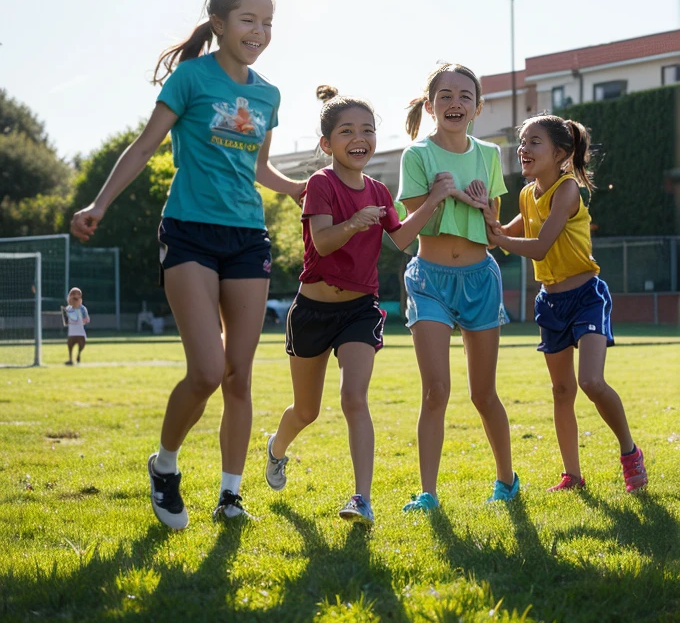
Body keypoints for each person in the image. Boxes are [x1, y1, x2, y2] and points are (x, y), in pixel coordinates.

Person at [70, 0, 305, 530]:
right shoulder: (192, 80)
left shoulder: (269, 93)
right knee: (206, 370)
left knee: (239, 375)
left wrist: (294, 187)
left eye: (268, 22)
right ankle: (166, 465)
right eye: (248, 20)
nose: (260, 31)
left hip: (248, 237)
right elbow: (144, 145)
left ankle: (230, 494)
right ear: (219, 24)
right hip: (189, 231)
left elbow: (258, 166)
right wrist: (99, 204)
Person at [264, 86, 459, 525]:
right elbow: (322, 241)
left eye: (367, 130)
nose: (360, 137)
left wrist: (434, 199)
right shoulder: (320, 184)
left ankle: (361, 498)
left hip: (359, 310)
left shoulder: (378, 189)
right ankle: (277, 448)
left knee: (354, 397)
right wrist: (354, 223)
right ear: (326, 143)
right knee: (306, 410)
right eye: (347, 130)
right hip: (313, 311)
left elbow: (402, 238)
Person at [485, 114, 647, 493]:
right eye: (522, 141)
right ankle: (572, 475)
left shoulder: (567, 189)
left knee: (590, 381)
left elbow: (539, 245)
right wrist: (481, 207)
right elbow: (497, 238)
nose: (523, 148)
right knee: (562, 391)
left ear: (560, 153)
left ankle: (630, 452)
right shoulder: (527, 195)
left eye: (533, 141)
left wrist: (501, 238)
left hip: (587, 297)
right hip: (551, 302)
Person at [398, 63, 519, 511]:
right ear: (430, 106)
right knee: (436, 391)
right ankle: (428, 493)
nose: (455, 103)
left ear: (477, 107)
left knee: (483, 394)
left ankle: (506, 481)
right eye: (445, 96)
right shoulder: (417, 156)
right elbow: (409, 232)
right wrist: (439, 194)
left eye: (465, 96)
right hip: (429, 279)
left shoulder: (488, 155)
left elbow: (494, 236)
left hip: (480, 280)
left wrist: (487, 209)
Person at [61, 287, 90, 365]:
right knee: (70, 345)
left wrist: (85, 320)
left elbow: (86, 319)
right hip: (72, 332)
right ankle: (70, 359)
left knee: (82, 345)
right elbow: (66, 322)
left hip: (80, 331)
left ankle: (79, 354)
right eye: (72, 294)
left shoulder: (83, 309)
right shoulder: (68, 309)